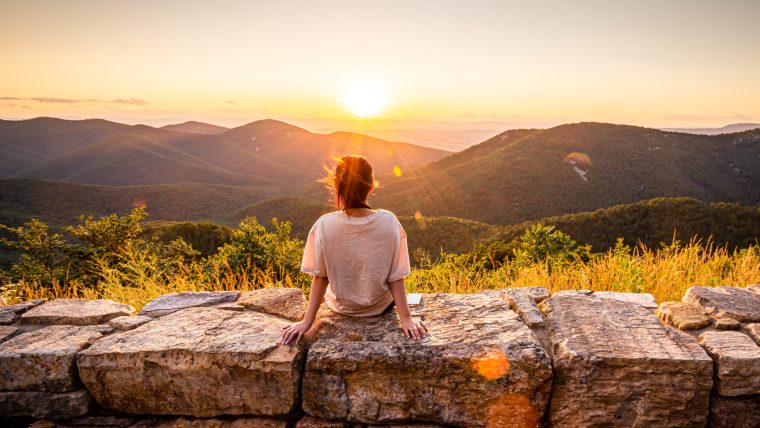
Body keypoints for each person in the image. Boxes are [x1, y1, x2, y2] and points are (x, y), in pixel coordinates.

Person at [280, 155, 427, 345]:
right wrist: (406, 319)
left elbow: (320, 277)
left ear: (337, 186)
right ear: (371, 186)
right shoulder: (389, 221)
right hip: (380, 307)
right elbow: (396, 276)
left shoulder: (324, 225)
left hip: (341, 308)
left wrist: (307, 321)